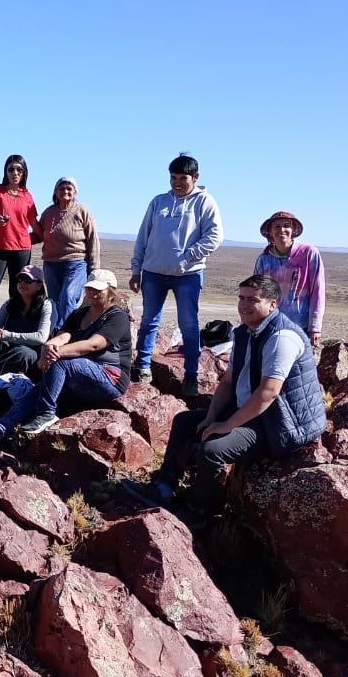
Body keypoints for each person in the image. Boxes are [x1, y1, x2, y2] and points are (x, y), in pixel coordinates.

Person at [121, 273, 325, 529]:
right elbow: (228, 382)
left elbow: (268, 393)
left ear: (273, 304)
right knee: (186, 422)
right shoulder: (245, 333)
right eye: (241, 298)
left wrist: (226, 426)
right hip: (253, 408)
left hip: (281, 422)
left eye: (253, 299)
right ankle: (163, 488)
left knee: (213, 449)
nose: (244, 304)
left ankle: (198, 512)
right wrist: (210, 418)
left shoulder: (281, 337)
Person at [0, 269, 131, 447]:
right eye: (89, 288)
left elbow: (94, 344)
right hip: (80, 374)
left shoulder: (116, 316)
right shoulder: (80, 314)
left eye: (98, 290)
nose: (92, 293)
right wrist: (48, 347)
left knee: (61, 362)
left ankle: (46, 414)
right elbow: (64, 335)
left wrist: (57, 353)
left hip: (109, 376)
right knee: (41, 390)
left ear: (111, 291)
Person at [130, 154, 223, 397]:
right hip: (153, 272)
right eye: (173, 178)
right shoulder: (159, 202)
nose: (177, 183)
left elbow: (215, 237)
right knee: (149, 320)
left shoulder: (205, 202)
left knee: (189, 325)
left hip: (188, 275)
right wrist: (136, 269)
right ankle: (142, 367)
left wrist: (190, 254)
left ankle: (191, 374)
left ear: (196, 177)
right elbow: (143, 236)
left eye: (183, 178)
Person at [0, 155, 42, 350]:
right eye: (11, 169)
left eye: (19, 170)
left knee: (18, 291)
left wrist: (48, 235)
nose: (15, 173)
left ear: (24, 173)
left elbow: (33, 223)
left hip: (21, 248)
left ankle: (11, 330)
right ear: (5, 171)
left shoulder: (27, 196)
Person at [253, 211, 325, 347]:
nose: (282, 230)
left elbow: (318, 291)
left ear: (293, 230)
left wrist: (315, 327)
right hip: (270, 326)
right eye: (276, 226)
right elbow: (256, 294)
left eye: (286, 226)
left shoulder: (309, 253)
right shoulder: (264, 260)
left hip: (300, 327)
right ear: (270, 232)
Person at [39, 177, 101, 333]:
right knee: (53, 301)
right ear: (56, 192)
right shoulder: (48, 212)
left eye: (69, 189)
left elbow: (93, 240)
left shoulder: (82, 211)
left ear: (75, 192)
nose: (65, 191)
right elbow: (39, 235)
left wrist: (94, 269)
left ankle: (65, 332)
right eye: (62, 189)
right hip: (51, 263)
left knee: (68, 297)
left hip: (76, 262)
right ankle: (53, 331)